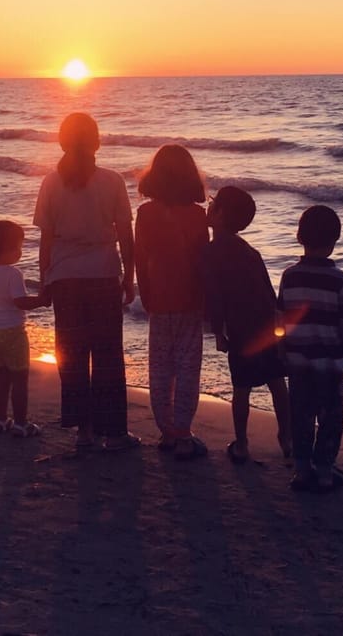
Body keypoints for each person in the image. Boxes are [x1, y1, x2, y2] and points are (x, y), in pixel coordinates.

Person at [33, 112, 139, 454]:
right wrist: (130, 277)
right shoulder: (112, 181)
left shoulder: (51, 182)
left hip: (64, 276)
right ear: (97, 142)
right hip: (103, 273)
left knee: (72, 354)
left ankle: (84, 431)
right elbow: (125, 234)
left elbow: (46, 239)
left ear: (62, 142)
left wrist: (43, 279)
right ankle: (114, 433)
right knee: (107, 355)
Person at [278, 204, 343, 492]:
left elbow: (281, 319)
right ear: (334, 241)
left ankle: (302, 472)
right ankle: (324, 472)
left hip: (298, 362)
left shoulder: (289, 275)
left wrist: (281, 350)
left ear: (301, 237)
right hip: (329, 364)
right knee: (330, 418)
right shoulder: (339, 280)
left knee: (300, 416)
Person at [204, 186, 291, 465]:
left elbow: (215, 296)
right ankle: (287, 438)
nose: (208, 206)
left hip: (241, 330)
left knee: (241, 387)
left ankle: (241, 443)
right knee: (277, 383)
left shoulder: (213, 251)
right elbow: (270, 294)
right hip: (266, 328)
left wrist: (219, 331)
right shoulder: (249, 251)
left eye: (213, 203)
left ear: (219, 215)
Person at [135, 144, 209, 459]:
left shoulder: (145, 212)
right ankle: (182, 433)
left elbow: (140, 257)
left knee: (161, 368)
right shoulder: (197, 215)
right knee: (187, 368)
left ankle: (167, 430)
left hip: (159, 297)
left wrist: (145, 293)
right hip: (189, 299)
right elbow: (202, 261)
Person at [0, 220, 49, 436]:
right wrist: (42, 300)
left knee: (2, 375)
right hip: (12, 332)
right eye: (19, 246)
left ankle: (0, 420)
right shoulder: (13, 274)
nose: (20, 252)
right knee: (20, 379)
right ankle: (22, 423)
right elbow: (20, 302)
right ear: (8, 248)